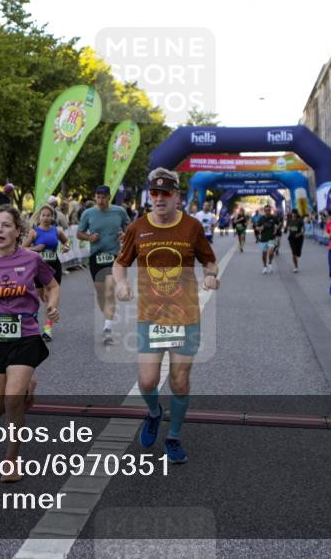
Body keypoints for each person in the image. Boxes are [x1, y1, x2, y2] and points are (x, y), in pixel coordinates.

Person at [113, 168, 219, 465]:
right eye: (155, 193)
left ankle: (173, 437)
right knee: (147, 381)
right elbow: (120, 264)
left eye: (165, 194)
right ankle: (154, 412)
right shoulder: (137, 228)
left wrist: (211, 275)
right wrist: (121, 283)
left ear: (177, 197)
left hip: (185, 316)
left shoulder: (192, 227)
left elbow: (208, 259)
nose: (159, 199)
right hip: (151, 316)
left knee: (179, 381)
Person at [0, 204, 59, 483]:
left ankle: (11, 459)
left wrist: (52, 306)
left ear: (18, 231)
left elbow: (52, 286)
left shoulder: (31, 260)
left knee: (12, 399)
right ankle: (27, 385)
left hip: (25, 336)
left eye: (6, 225)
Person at [77, 185, 131, 345]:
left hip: (114, 256)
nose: (101, 200)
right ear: (95, 197)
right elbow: (79, 233)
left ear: (109, 197)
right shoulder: (88, 213)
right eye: (98, 197)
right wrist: (89, 238)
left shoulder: (119, 211)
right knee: (100, 293)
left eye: (104, 197)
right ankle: (108, 317)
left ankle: (108, 327)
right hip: (96, 256)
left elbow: (129, 227)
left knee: (109, 292)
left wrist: (124, 234)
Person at [24, 204, 70, 342]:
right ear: (40, 216)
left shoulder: (57, 231)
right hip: (38, 268)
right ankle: (35, 324)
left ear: (52, 217)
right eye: (43, 215)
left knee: (51, 298)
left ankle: (48, 329)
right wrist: (36, 248)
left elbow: (66, 241)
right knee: (43, 299)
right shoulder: (34, 232)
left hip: (54, 267)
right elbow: (23, 248)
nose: (45, 218)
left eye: (48, 215)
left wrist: (66, 246)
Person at [256, 204, 281, 274]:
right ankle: (264, 266)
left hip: (271, 238)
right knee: (264, 254)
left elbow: (279, 224)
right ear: (264, 211)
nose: (267, 211)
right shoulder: (261, 218)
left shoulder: (274, 217)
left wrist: (276, 228)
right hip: (263, 238)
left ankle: (270, 263)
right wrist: (260, 228)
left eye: (269, 210)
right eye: (266, 210)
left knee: (271, 251)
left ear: (270, 210)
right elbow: (256, 227)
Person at [285, 208, 305, 273]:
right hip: (291, 238)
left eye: (294, 213)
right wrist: (286, 229)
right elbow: (286, 227)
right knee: (294, 253)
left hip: (299, 238)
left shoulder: (300, 221)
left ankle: (297, 255)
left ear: (296, 214)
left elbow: (303, 229)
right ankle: (296, 267)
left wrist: (299, 234)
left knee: (298, 253)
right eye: (292, 213)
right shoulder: (289, 220)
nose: (293, 214)